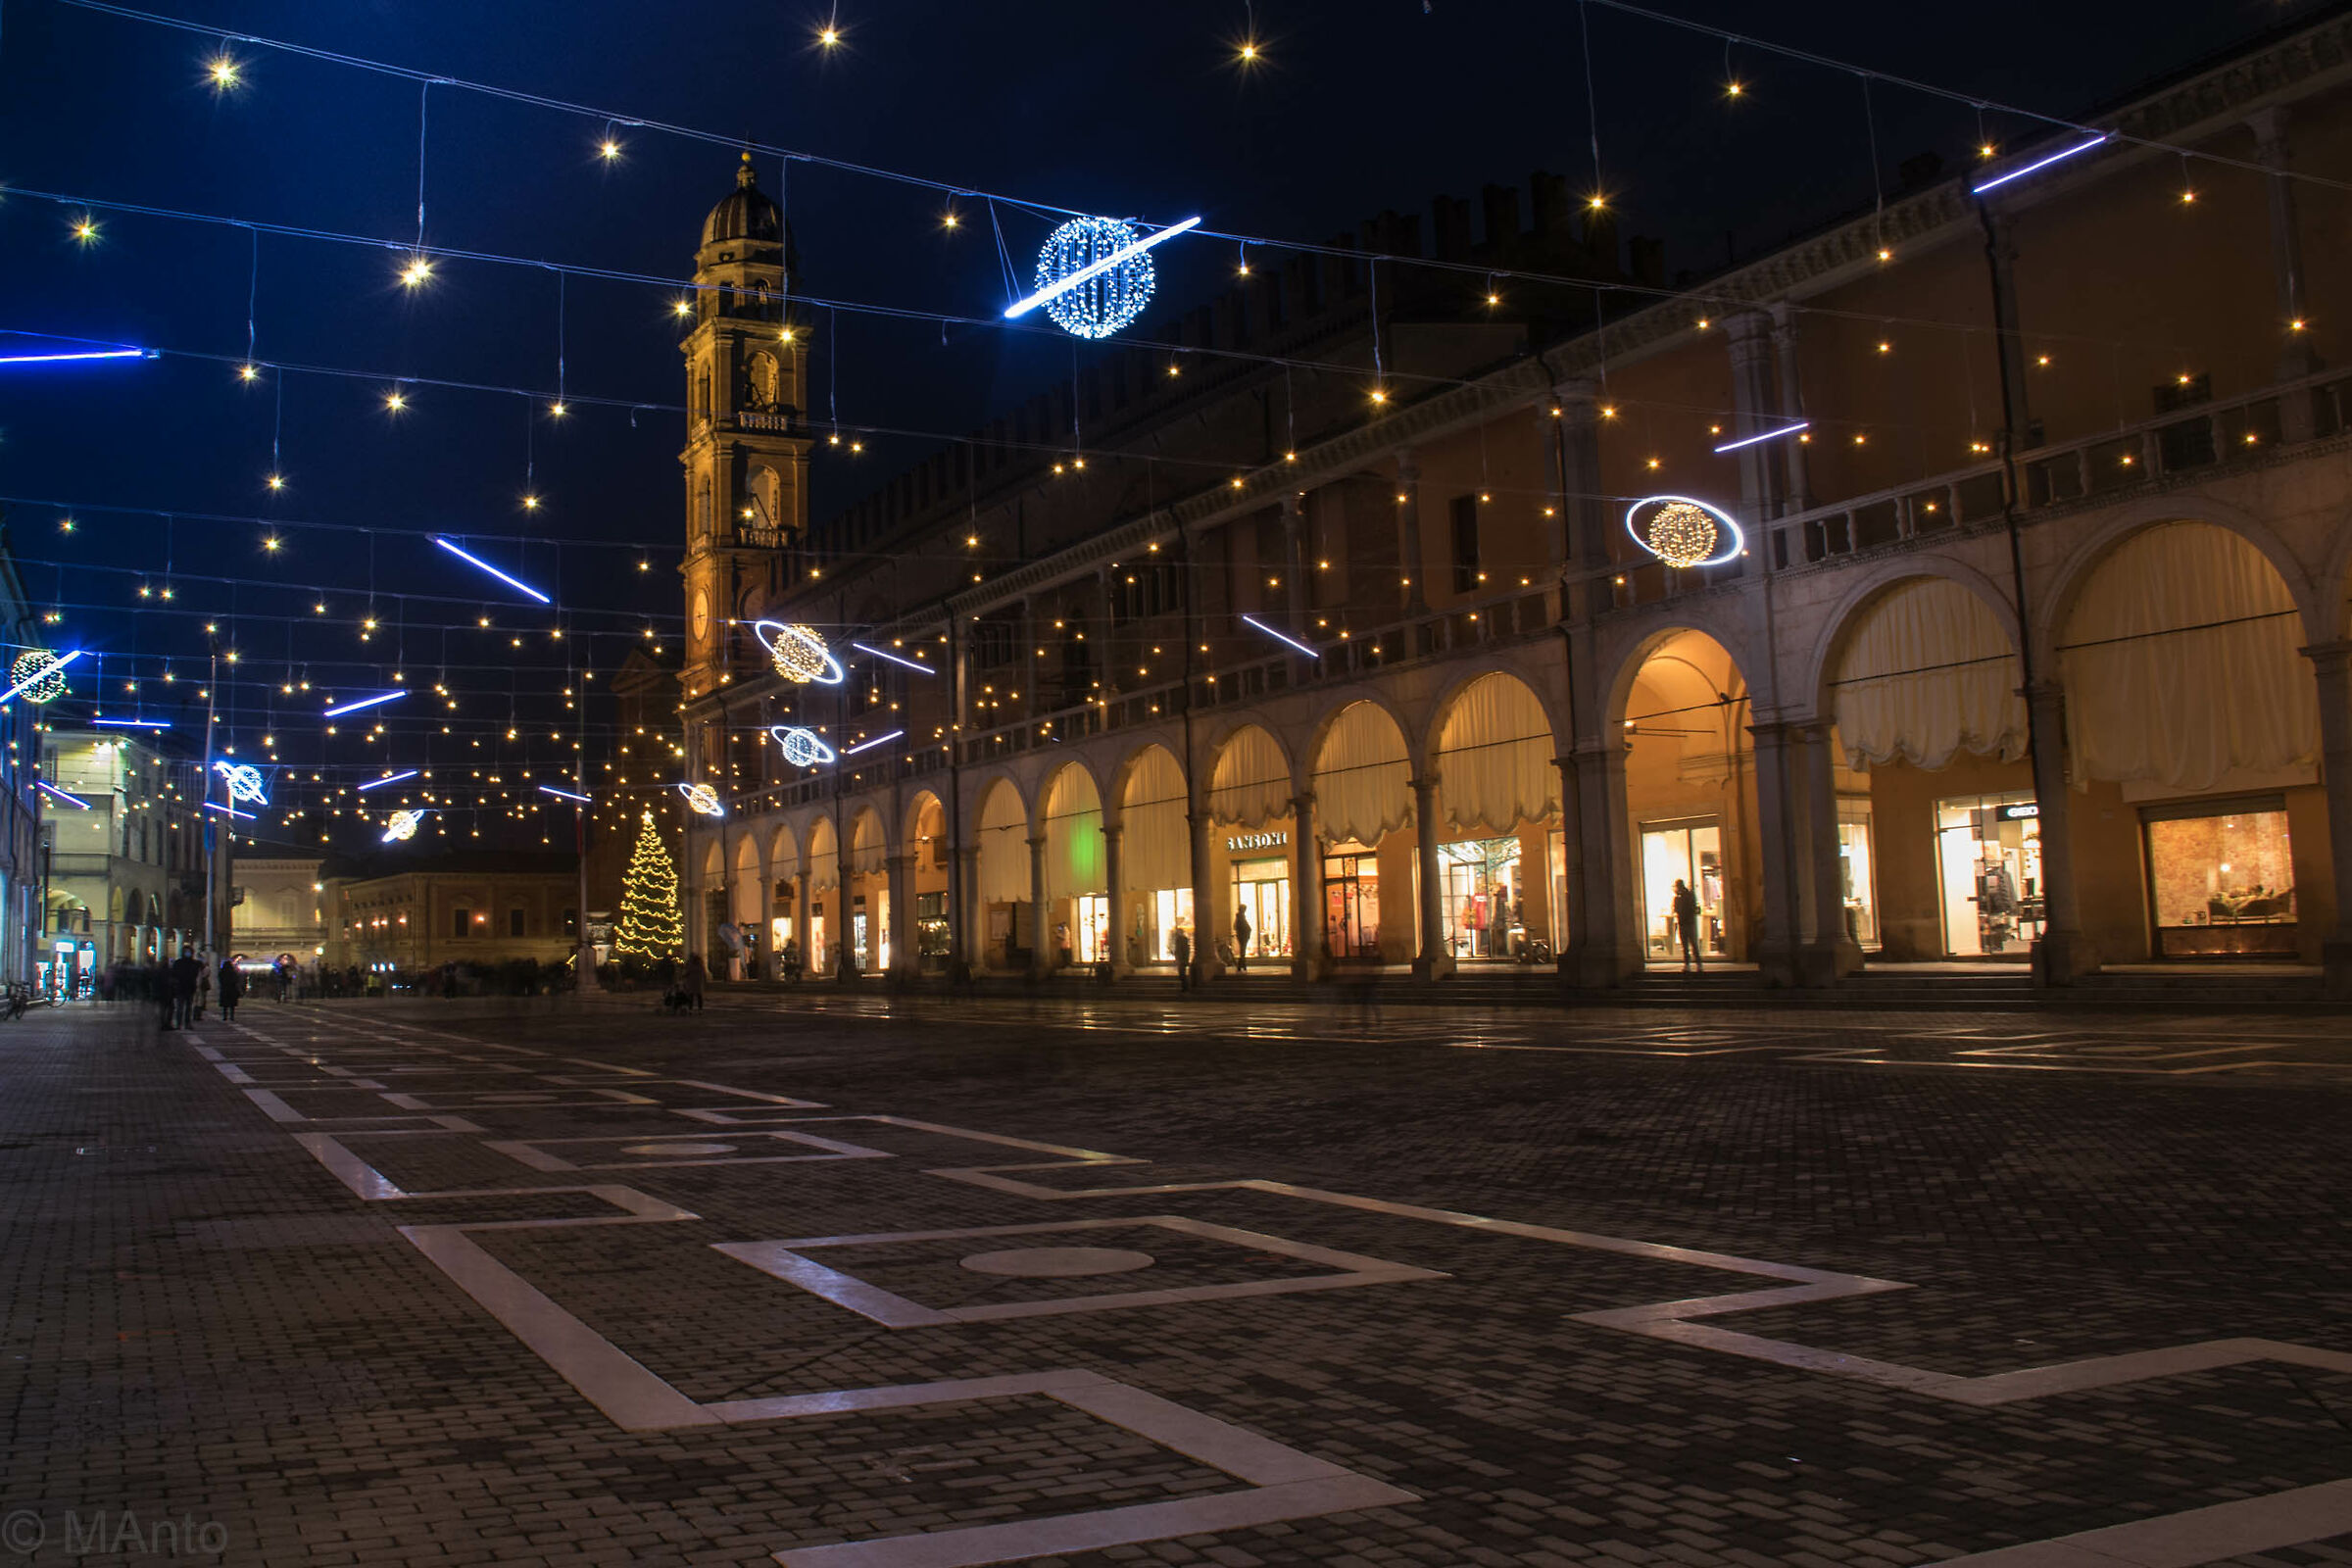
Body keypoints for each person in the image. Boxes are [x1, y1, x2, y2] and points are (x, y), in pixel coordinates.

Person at [1673, 878, 1702, 972]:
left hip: (1684, 923)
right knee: (1693, 944)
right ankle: (1698, 964)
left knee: (1686, 945)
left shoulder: (1679, 898)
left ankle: (1688, 964)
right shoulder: (1689, 895)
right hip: (1689, 923)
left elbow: (1677, 910)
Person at [169, 950, 201, 1029]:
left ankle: (186, 1023)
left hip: (189, 987)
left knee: (188, 1008)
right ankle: (179, 1023)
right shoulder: (179, 963)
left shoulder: (193, 963)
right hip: (182, 987)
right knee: (180, 1007)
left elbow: (196, 974)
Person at [217, 958, 244, 1022]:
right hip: (232, 989)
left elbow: (220, 980)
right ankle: (232, 1017)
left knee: (225, 1005)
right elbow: (236, 980)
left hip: (224, 989)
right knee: (232, 1005)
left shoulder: (222, 972)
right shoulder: (233, 972)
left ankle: (225, 1016)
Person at [1170, 925, 1193, 992]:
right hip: (1182, 960)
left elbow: (1182, 950)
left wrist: (1182, 959)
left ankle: (1185, 988)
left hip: (1182, 960)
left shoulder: (1181, 939)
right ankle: (1185, 987)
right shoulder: (1181, 939)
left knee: (1182, 974)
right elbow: (1182, 950)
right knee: (1182, 974)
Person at [1233, 906, 1252, 973]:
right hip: (1243, 936)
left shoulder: (1239, 917)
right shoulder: (1240, 917)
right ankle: (1241, 965)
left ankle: (1242, 965)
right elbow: (1244, 926)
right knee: (1242, 951)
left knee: (1242, 951)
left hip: (1242, 936)